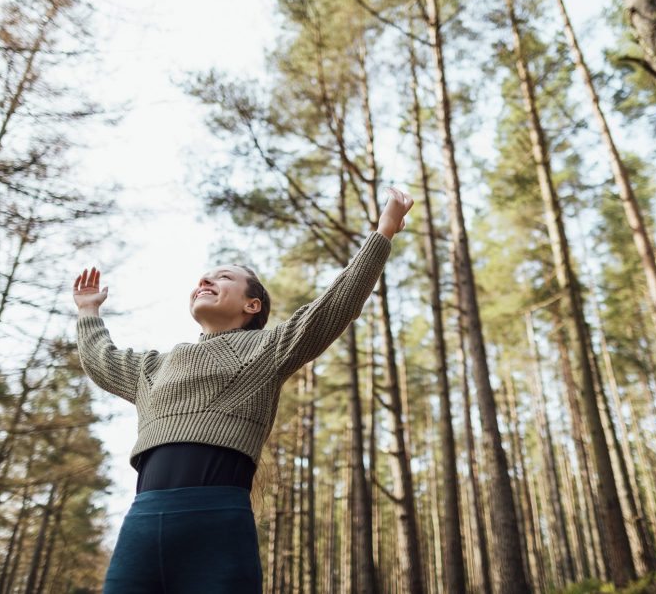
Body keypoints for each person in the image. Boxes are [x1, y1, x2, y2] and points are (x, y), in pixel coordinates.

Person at [72, 187, 413, 593]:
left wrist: (384, 231)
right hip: (142, 523)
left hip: (217, 521)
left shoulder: (267, 349)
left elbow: (334, 305)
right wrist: (89, 312)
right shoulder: (153, 368)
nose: (205, 280)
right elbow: (102, 359)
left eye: (224, 277)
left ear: (252, 306)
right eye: (205, 277)